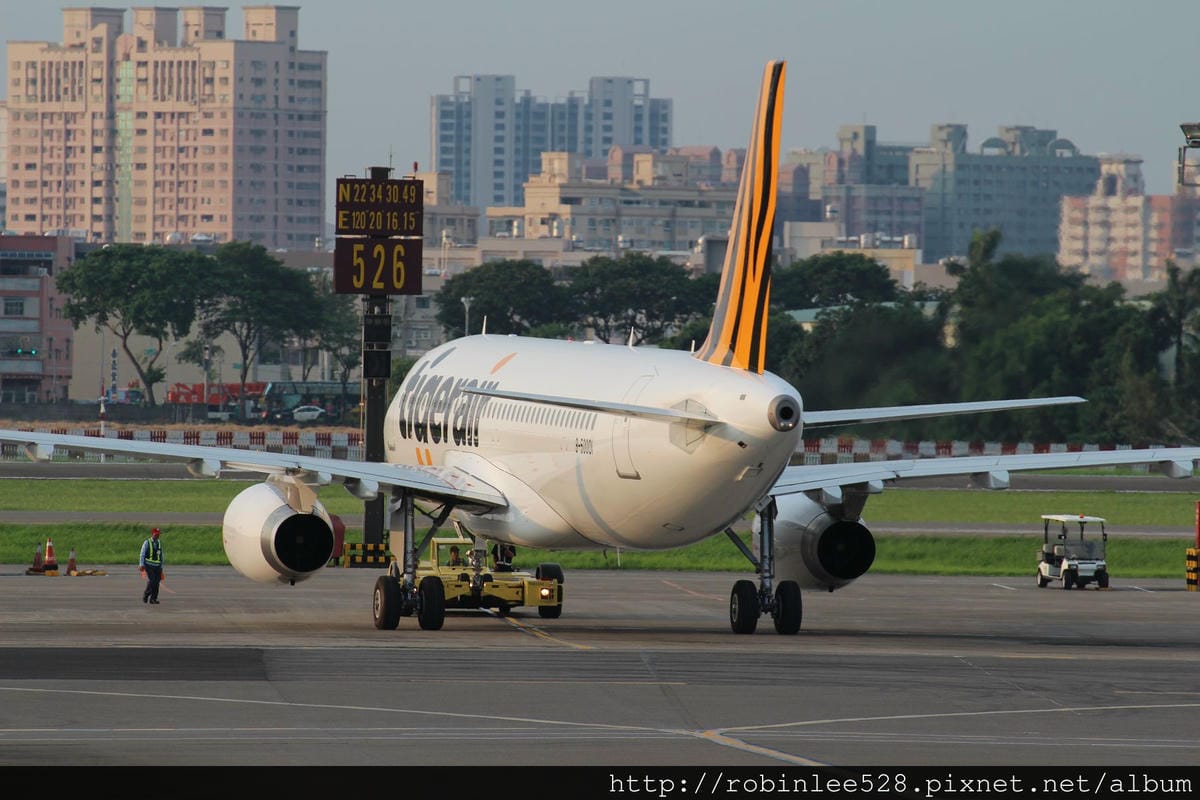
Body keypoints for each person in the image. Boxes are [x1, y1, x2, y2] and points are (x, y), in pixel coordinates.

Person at [139, 527, 164, 604]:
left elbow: (161, 555)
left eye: (158, 534)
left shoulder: (159, 542)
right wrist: (141, 564)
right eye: (156, 534)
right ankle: (146, 594)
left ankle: (153, 599)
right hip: (149, 565)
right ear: (152, 534)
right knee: (152, 581)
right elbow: (142, 554)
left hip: (157, 566)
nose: (157, 536)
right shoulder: (147, 542)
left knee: (157, 583)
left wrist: (161, 566)